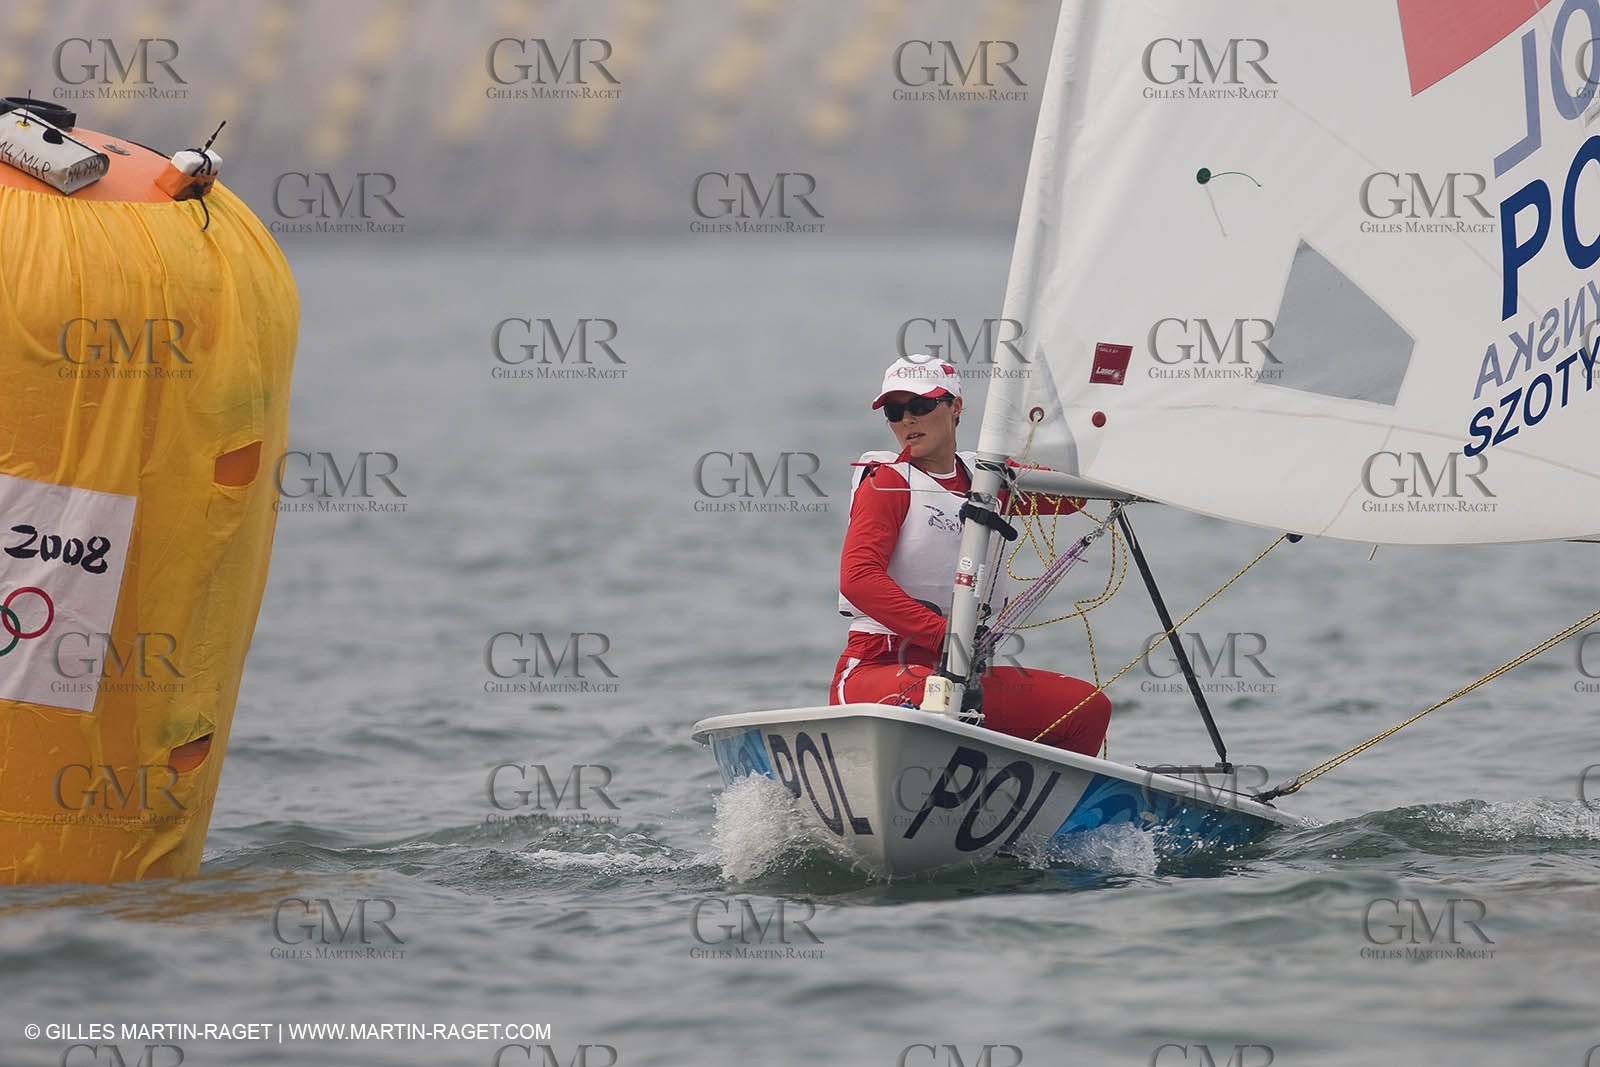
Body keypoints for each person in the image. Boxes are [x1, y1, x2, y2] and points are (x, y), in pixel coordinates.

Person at [830, 355, 1112, 756]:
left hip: (963, 677)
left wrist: (1095, 417)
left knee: (1088, 709)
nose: (907, 421)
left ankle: (1039, 813)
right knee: (931, 699)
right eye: (895, 411)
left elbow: (1071, 498)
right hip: (878, 667)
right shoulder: (888, 483)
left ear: (956, 407)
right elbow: (857, 578)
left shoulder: (988, 478)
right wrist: (944, 635)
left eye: (921, 406)